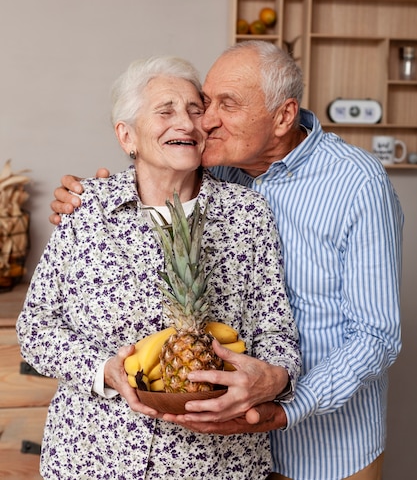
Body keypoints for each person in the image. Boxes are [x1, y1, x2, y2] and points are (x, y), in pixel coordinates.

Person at [50, 41, 403, 480]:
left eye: (225, 105)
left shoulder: (356, 184)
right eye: (206, 103)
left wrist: (286, 400)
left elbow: (377, 336)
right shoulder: (221, 166)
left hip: (322, 439)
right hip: (222, 442)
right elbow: (157, 165)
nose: (206, 120)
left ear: (283, 117)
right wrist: (93, 196)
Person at [17, 55, 301, 480]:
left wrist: (271, 377)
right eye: (165, 111)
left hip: (216, 462)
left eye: (194, 110)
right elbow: (36, 326)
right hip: (95, 454)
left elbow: (277, 332)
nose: (185, 124)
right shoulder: (86, 209)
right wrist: (102, 370)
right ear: (126, 135)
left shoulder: (248, 213)